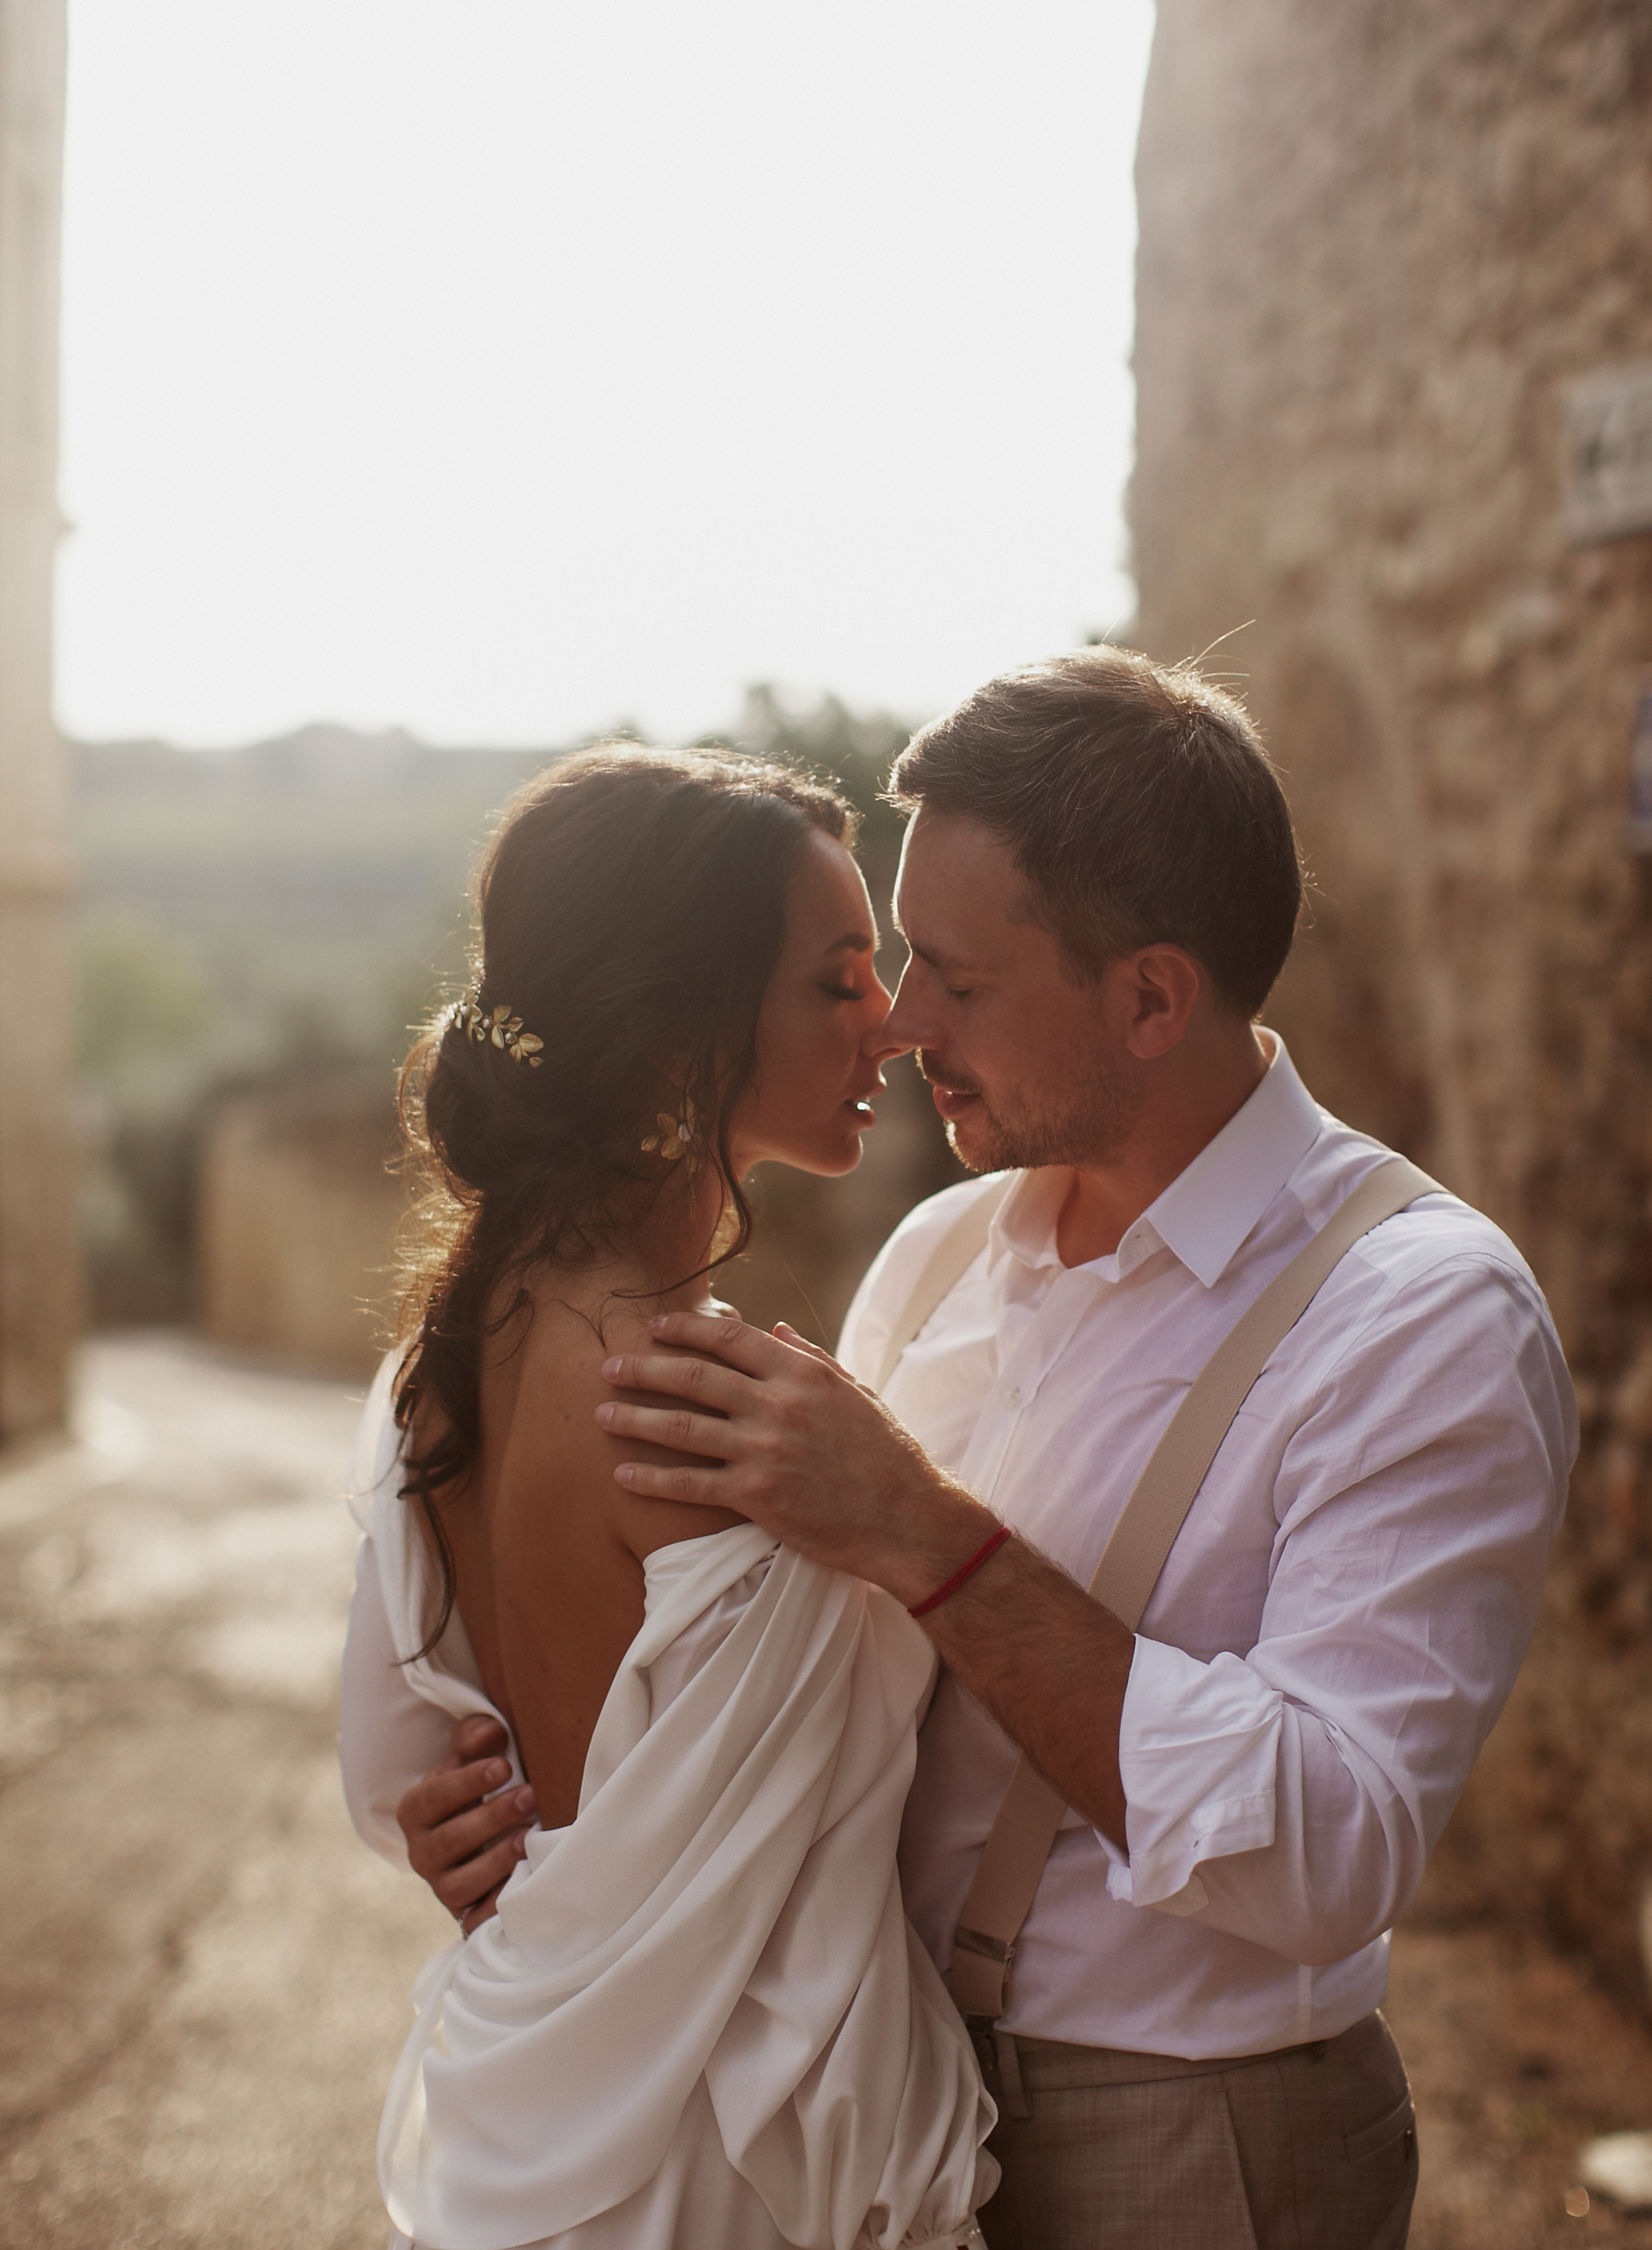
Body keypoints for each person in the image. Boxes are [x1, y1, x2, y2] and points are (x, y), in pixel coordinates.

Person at [402, 646, 1576, 2249]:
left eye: (956, 978)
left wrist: (928, 1539)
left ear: (1151, 995)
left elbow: (1330, 1845)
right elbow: (773, 1717)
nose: (896, 1022)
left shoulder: (1417, 1318)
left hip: (1184, 2135)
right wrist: (545, 1836)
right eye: (892, 960)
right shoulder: (940, 1253)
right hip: (862, 2111)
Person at [339, 745, 998, 2250]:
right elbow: (820, 1927)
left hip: (527, 2105)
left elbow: (387, 1768)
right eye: (838, 981)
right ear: (684, 1035)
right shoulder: (710, 1426)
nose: (889, 1023)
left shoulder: (432, 1375)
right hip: (717, 2157)